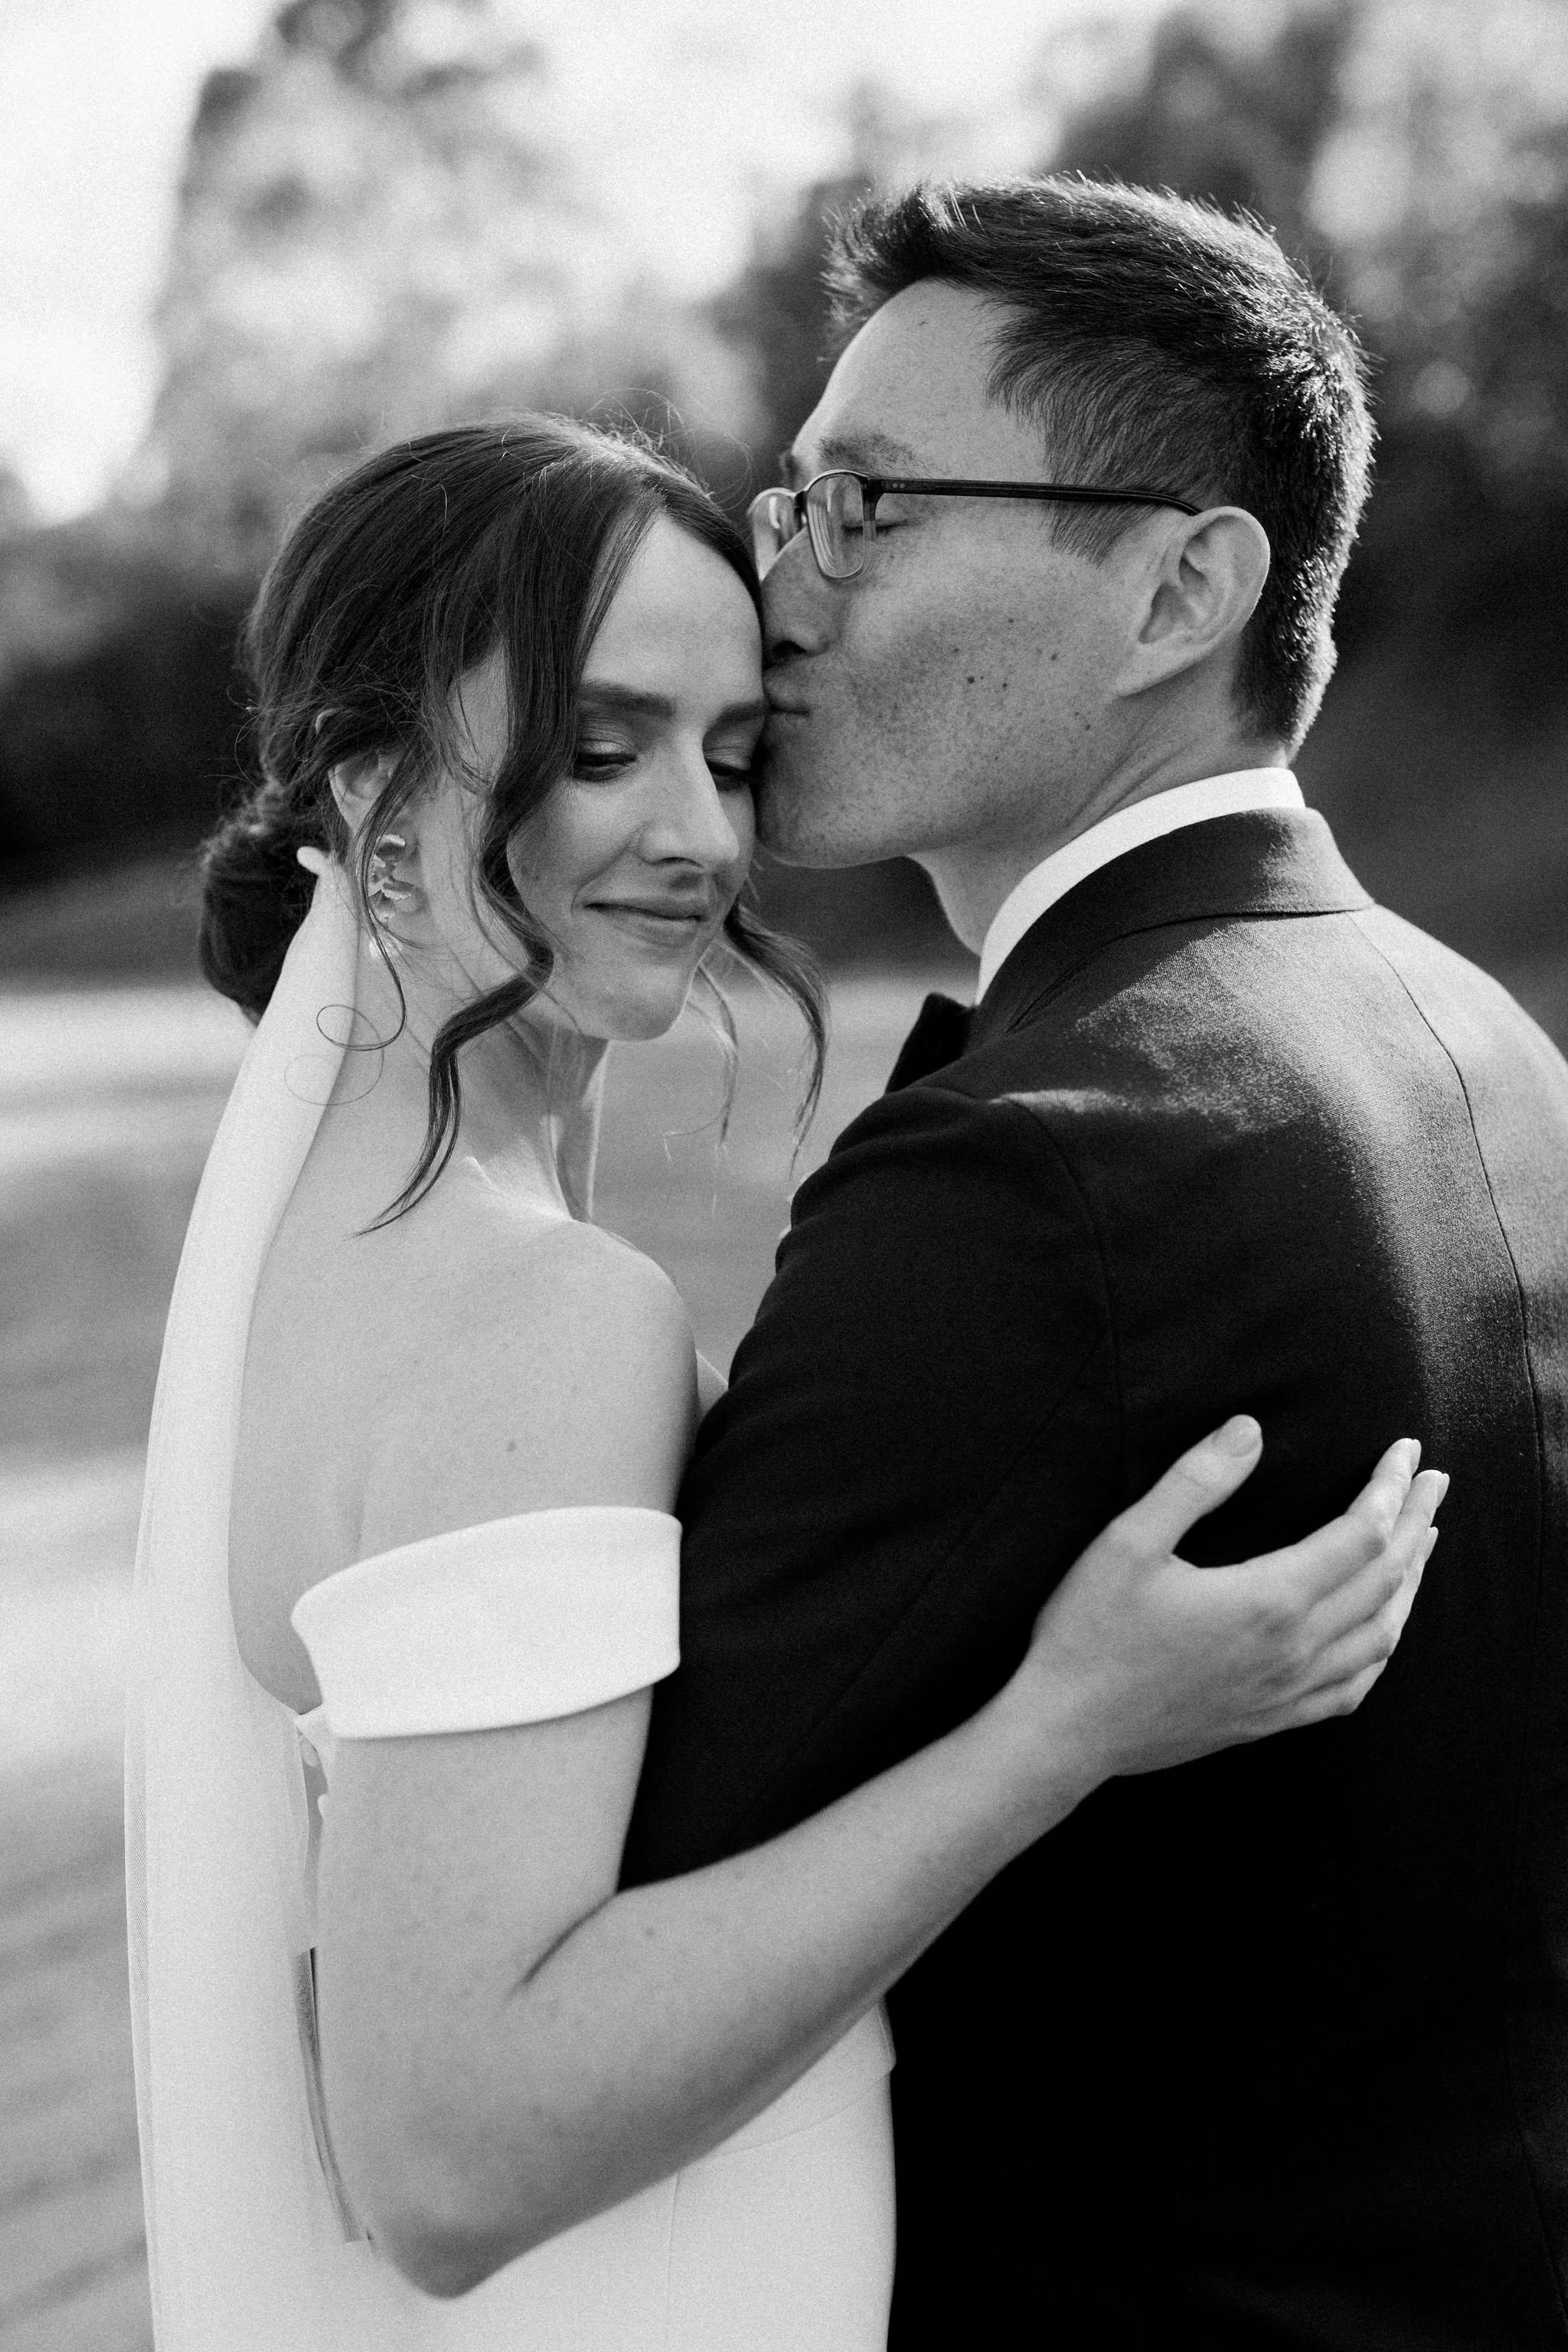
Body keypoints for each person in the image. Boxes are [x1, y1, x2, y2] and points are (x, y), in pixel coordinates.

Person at [125, 415, 1439, 2352]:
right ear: (373, 787)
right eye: (598, 749)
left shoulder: (305, 1254)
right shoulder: (537, 1312)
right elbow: (446, 2153)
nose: (701, 835)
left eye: (731, 754)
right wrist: (1063, 1724)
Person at [616, 178, 1568, 2349]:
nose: (781, 579)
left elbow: (609, 1951)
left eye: (869, 503)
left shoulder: (1032, 1174)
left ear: (1175, 588)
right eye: (793, 496)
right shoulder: (1496, 1048)